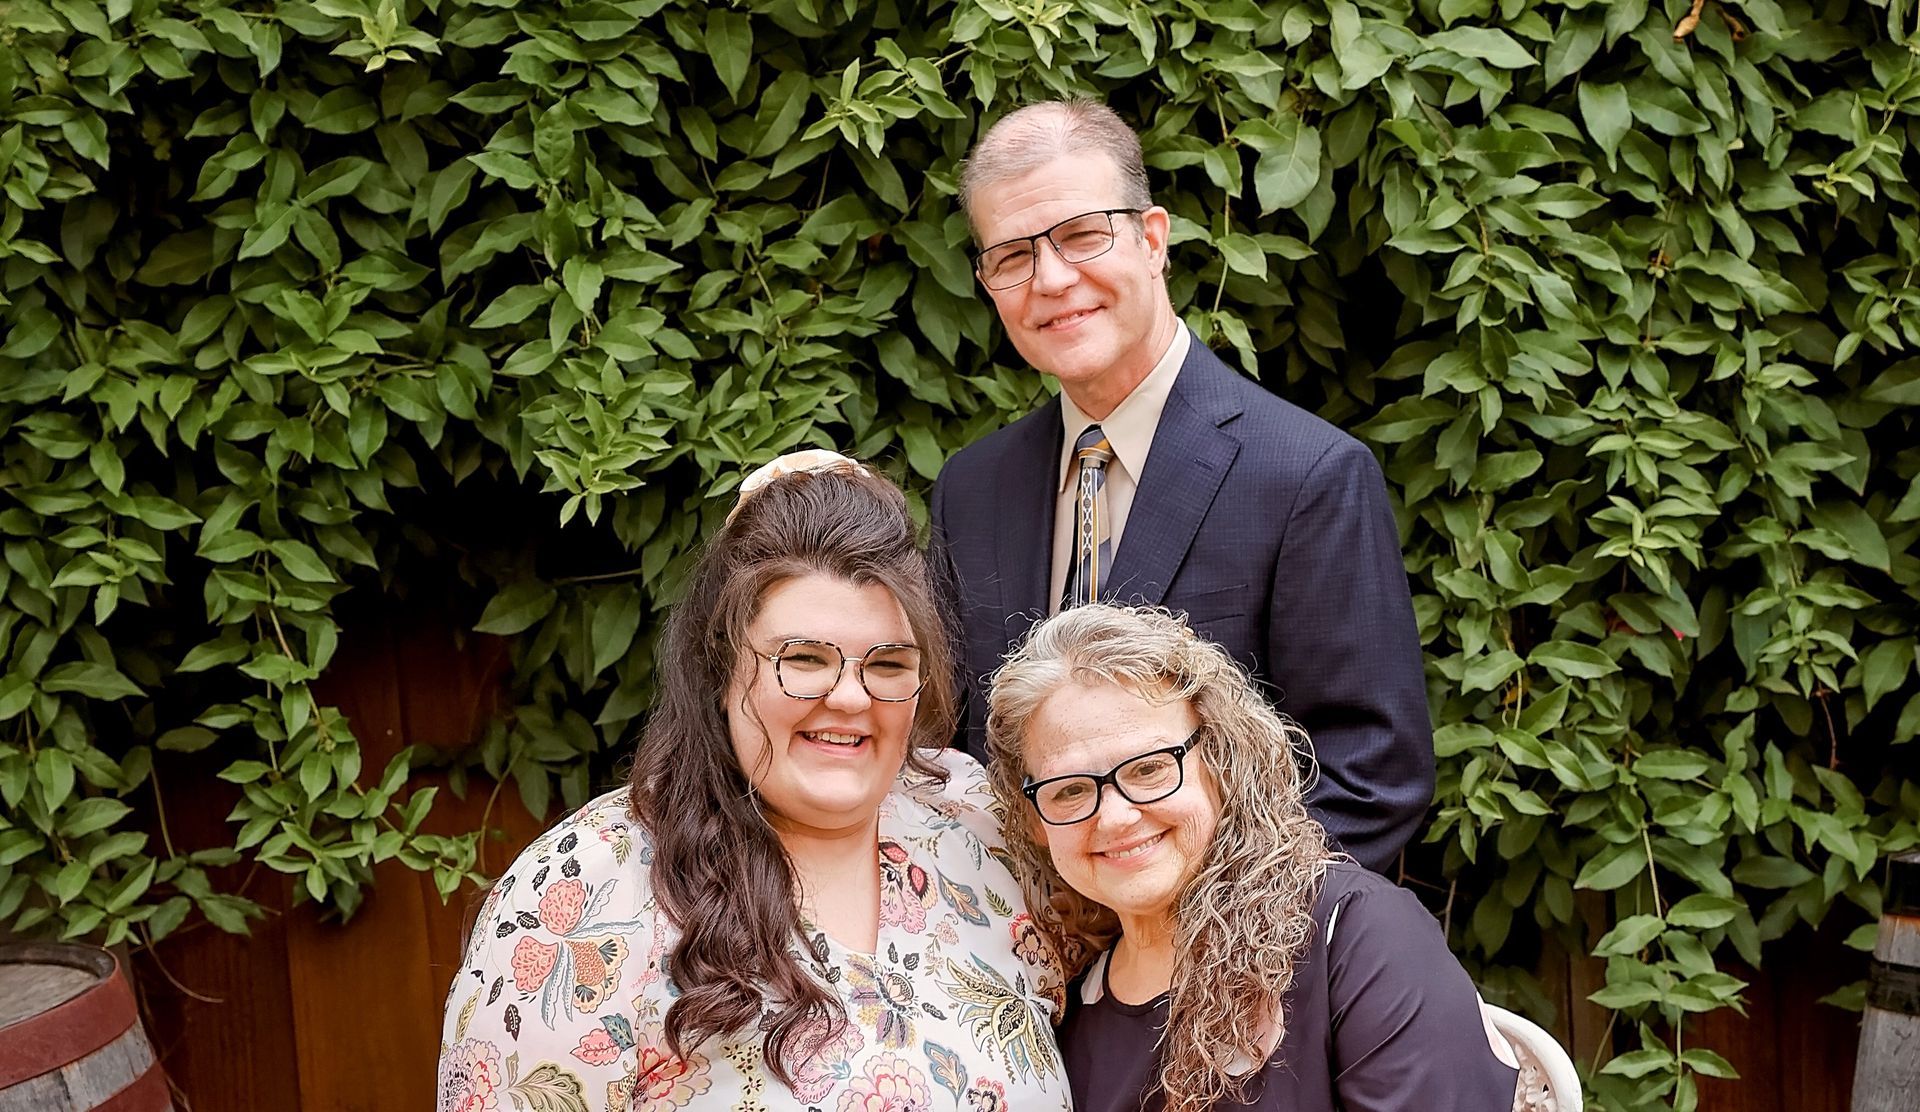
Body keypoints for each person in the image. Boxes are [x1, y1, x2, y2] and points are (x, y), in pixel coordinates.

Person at [437, 452, 1073, 1112]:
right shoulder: (583, 895)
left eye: (887, 664)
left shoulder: (979, 824)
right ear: (720, 664)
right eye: (803, 659)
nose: (850, 697)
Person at [931, 98, 1432, 872]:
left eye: (1081, 235)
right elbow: (954, 755)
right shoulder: (971, 489)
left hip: (1231, 969)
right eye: (1014, 255)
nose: (1053, 278)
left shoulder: (1308, 476)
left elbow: (1370, 782)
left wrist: (1171, 944)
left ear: (1152, 239)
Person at [985, 604, 1518, 1112]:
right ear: (1034, 820)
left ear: (1221, 759)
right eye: (1070, 790)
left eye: (1148, 769)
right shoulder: (1068, 1005)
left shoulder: (1355, 936)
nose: (1116, 817)